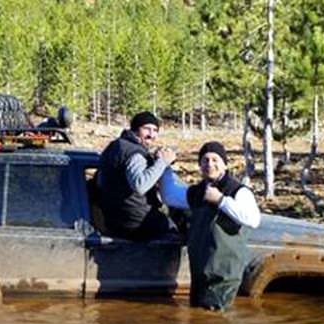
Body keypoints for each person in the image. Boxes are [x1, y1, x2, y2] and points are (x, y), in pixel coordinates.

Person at [161, 142, 261, 310]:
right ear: (200, 165)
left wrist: (221, 201)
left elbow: (253, 219)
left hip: (224, 273)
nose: (210, 165)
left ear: (225, 164)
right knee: (201, 322)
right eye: (205, 160)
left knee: (216, 323)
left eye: (215, 160)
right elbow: (170, 195)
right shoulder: (197, 191)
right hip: (200, 271)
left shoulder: (238, 191)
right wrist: (164, 166)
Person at [96, 111, 178, 241]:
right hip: (136, 220)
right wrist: (163, 162)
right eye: (146, 129)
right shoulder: (134, 153)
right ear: (135, 130)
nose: (151, 134)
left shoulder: (115, 146)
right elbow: (140, 185)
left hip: (113, 218)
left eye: (155, 130)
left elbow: (100, 181)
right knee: (174, 232)